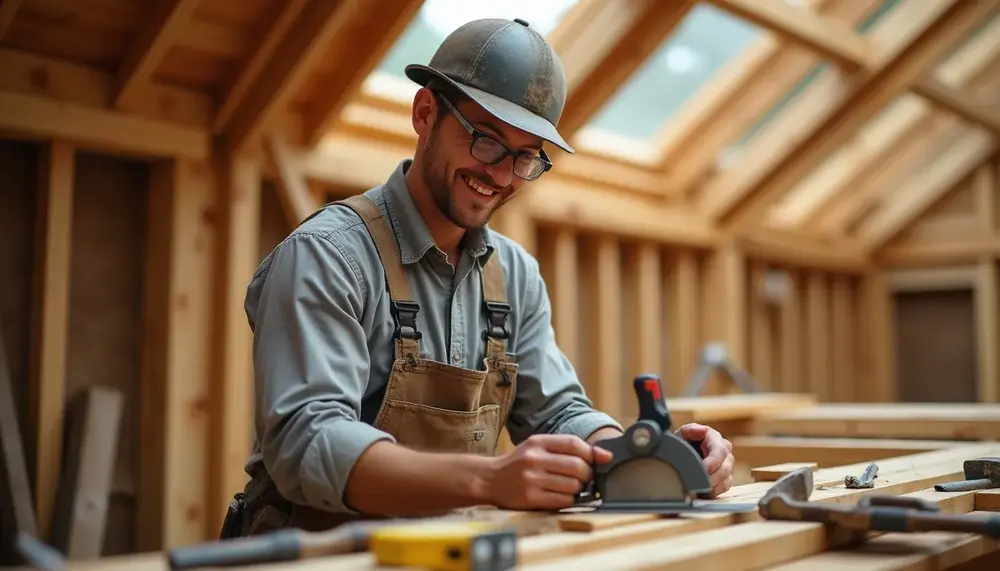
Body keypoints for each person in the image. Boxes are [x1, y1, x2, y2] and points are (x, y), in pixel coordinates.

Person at [222, 16, 735, 538]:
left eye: (525, 158)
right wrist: (490, 478)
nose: (500, 174)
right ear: (425, 113)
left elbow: (558, 413)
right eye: (486, 141)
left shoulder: (514, 275)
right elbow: (308, 446)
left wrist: (651, 456)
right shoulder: (329, 256)